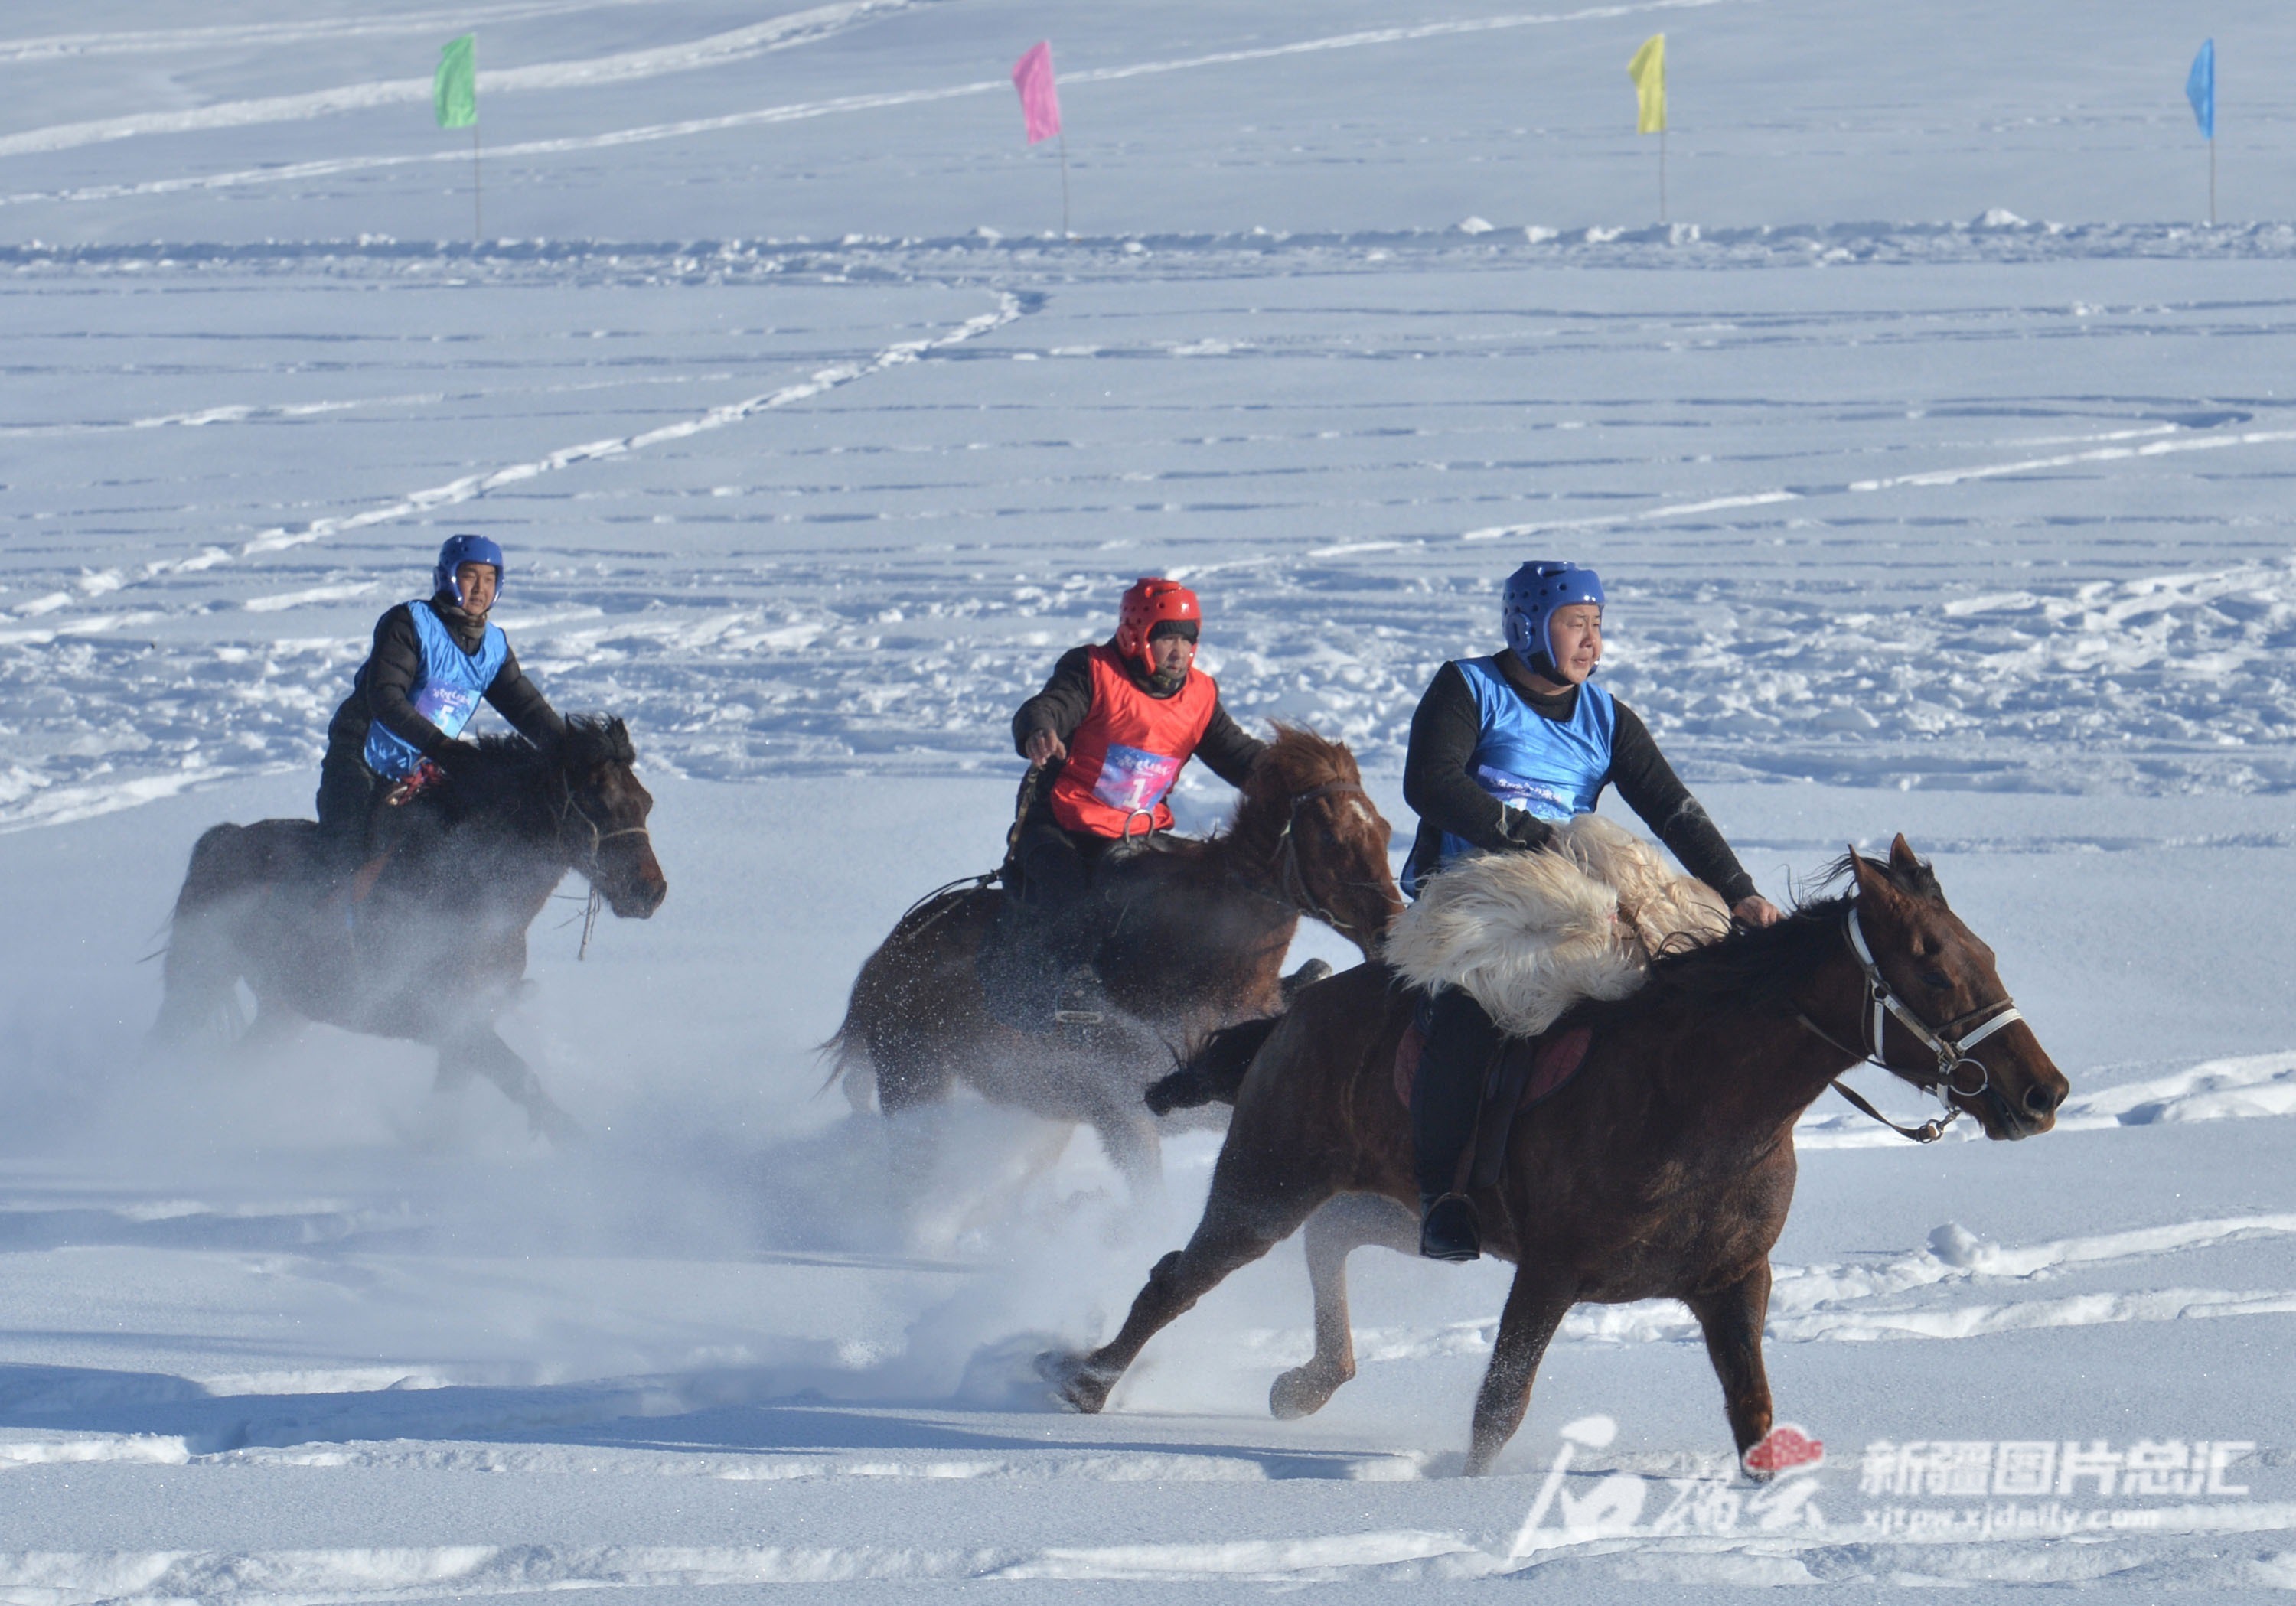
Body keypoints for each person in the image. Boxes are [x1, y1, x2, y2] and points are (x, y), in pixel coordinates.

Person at [1401, 559, 1782, 1261]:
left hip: (1571, 891)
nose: (1592, 642)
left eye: (1598, 625)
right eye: (1576, 623)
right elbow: (1430, 782)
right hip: (1470, 891)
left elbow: (1674, 810)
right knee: (1476, 1009)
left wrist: (1739, 890)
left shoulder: (1606, 716)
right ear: (1529, 625)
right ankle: (1441, 1198)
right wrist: (1530, 834)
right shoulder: (1469, 687)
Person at [1000, 578, 1265, 1028]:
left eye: (1188, 638)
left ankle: (1244, 984)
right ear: (1136, 634)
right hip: (1059, 827)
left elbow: (1238, 756)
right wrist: (1039, 729)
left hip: (1134, 833)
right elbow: (1050, 705)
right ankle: (1072, 983)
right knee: (1067, 887)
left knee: (1202, 880)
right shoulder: (1091, 670)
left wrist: (1299, 775)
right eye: (1167, 637)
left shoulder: (1199, 696)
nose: (1179, 651)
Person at [314, 535, 565, 875]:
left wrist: (575, 748)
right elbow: (386, 698)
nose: (480, 589)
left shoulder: (492, 648)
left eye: (490, 579)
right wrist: (443, 747)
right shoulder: (408, 623)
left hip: (420, 771)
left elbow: (527, 709)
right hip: (360, 756)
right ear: (447, 576)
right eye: (470, 575)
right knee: (345, 856)